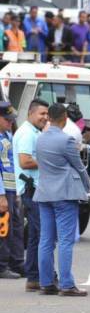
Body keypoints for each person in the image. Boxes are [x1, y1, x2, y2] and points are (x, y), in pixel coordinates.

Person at [34, 103, 90, 296]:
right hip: (64, 193)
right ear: (65, 117)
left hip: (44, 193)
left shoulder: (40, 140)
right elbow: (79, 166)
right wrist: (87, 186)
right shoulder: (66, 140)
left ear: (49, 117)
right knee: (65, 240)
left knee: (46, 240)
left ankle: (46, 282)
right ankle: (66, 284)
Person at [13, 99, 48, 291]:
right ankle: (47, 277)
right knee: (45, 234)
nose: (45, 117)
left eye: (47, 114)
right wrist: (49, 161)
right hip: (31, 189)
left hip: (34, 189)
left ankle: (34, 277)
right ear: (30, 114)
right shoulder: (27, 133)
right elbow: (25, 161)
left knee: (36, 236)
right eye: (41, 114)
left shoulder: (35, 132)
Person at [0, 103, 21, 279]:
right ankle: (2, 266)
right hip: (2, 192)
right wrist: (1, 196)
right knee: (3, 229)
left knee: (14, 227)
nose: (10, 122)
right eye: (7, 119)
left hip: (11, 189)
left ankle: (15, 262)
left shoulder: (7, 135)